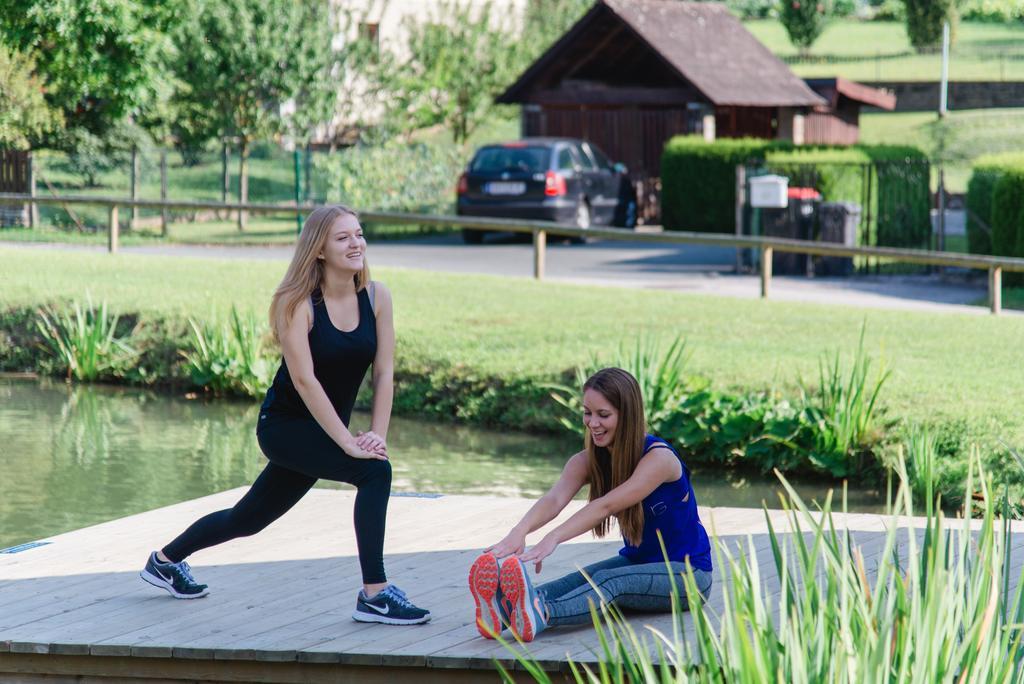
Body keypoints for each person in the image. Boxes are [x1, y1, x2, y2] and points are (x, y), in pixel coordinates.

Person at [140, 205, 430, 626]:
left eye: (359, 234)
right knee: (374, 473)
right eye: (343, 238)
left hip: (326, 431)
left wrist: (376, 435)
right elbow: (305, 380)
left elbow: (385, 372)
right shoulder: (297, 304)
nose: (356, 244)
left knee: (249, 519)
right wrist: (348, 442)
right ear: (319, 250)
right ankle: (375, 594)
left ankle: (164, 561)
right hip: (285, 428)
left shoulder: (377, 297)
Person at [468, 367, 712, 641]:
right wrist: (520, 531)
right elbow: (554, 499)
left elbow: (605, 506)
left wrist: (553, 538)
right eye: (588, 413)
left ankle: (542, 614)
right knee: (577, 581)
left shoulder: (660, 459)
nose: (592, 422)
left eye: (603, 415)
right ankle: (502, 613)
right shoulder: (586, 461)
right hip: (637, 562)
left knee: (610, 581)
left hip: (689, 575)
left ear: (627, 416)